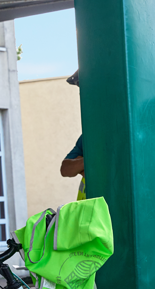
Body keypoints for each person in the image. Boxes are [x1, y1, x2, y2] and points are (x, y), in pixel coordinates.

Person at [60, 70, 87, 201]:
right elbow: (65, 169)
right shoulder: (89, 137)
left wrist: (83, 165)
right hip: (90, 215)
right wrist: (89, 162)